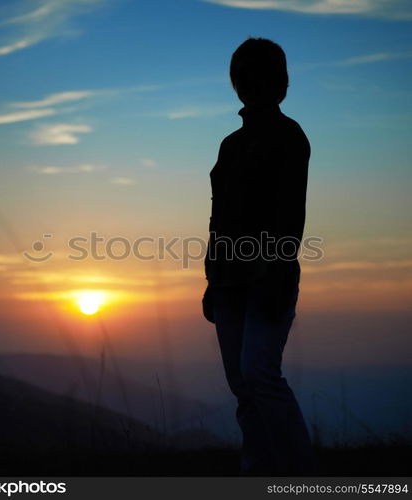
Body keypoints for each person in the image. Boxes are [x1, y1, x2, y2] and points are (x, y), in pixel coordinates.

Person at [202, 37, 316, 476]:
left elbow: (290, 216)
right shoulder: (230, 145)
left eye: (260, 75)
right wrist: (212, 281)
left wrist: (273, 272)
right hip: (229, 282)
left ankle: (304, 476)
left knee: (260, 377)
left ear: (277, 82)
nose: (251, 84)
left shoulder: (289, 136)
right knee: (244, 386)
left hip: (269, 279)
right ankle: (258, 472)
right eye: (245, 76)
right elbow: (219, 218)